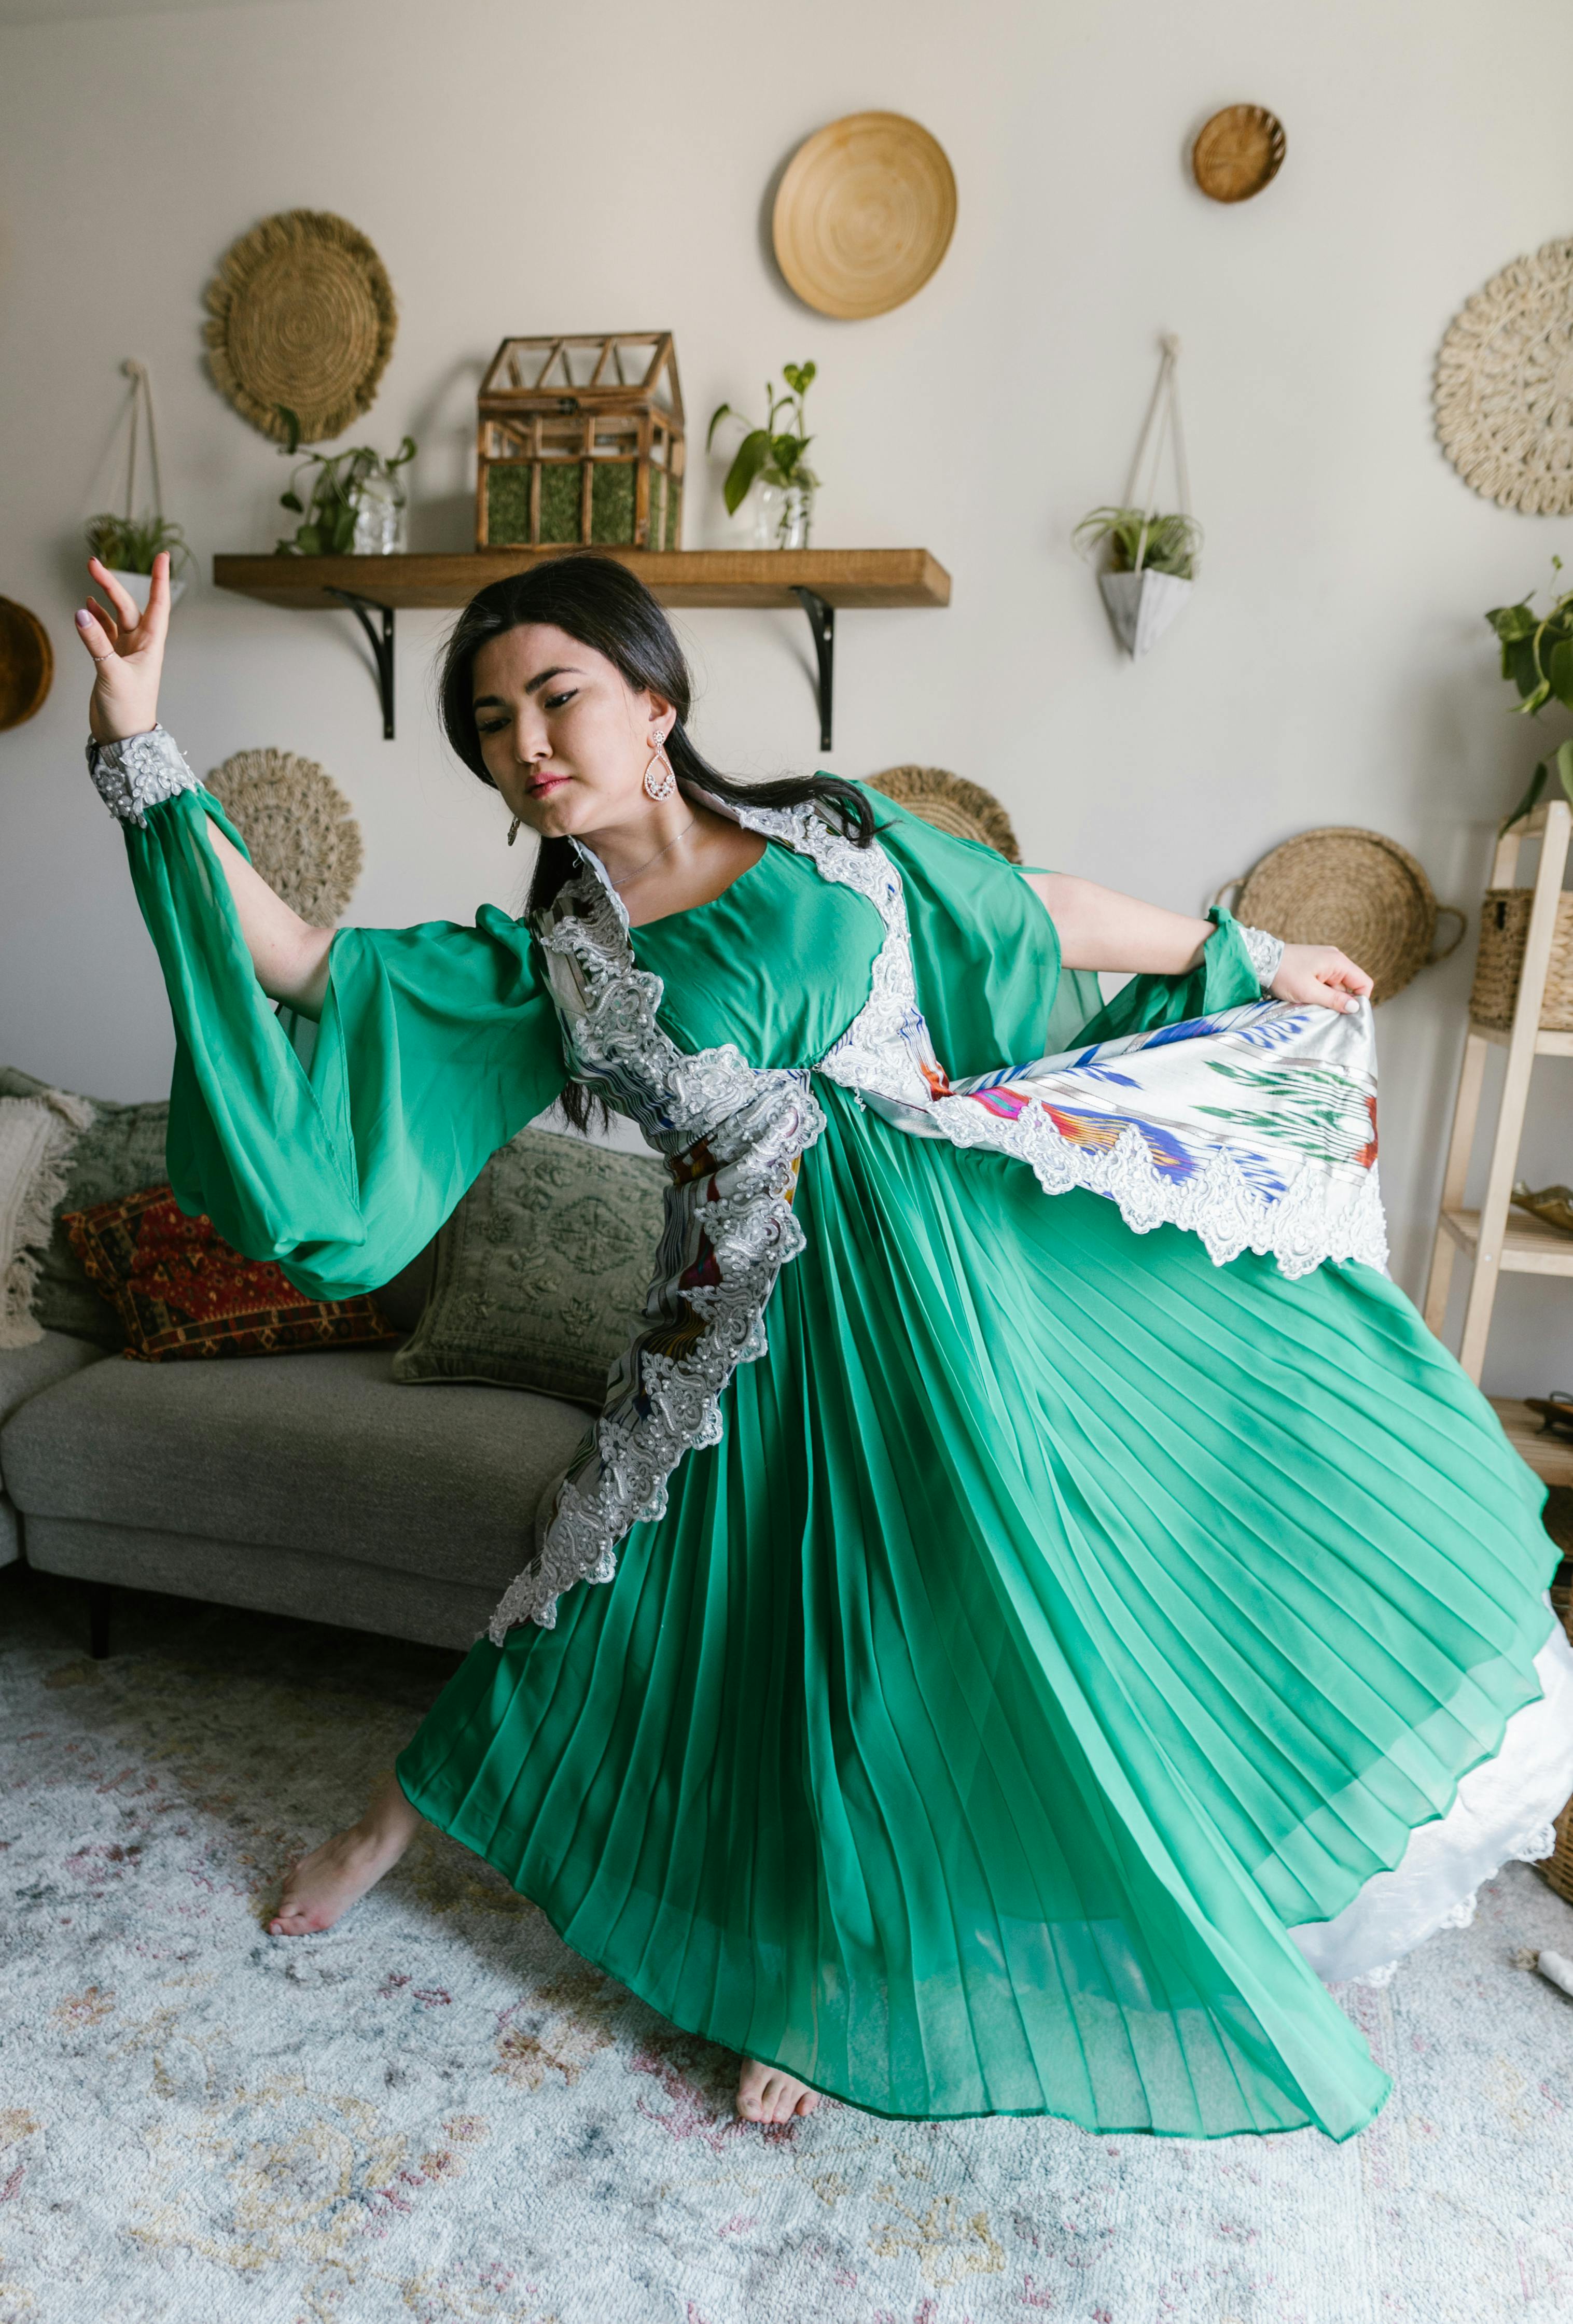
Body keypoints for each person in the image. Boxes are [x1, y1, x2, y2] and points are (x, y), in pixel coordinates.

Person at [74, 549, 1573, 2136]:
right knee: (585, 1594)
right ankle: (387, 1835)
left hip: (947, 1284)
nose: (528, 741)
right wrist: (139, 740)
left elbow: (1033, 911)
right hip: (732, 1333)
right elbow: (306, 964)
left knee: (928, 1637)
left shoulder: (832, 836)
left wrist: (1254, 957)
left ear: (654, 702)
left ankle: (824, 1981)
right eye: (492, 720)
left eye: (558, 695)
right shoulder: (555, 964)